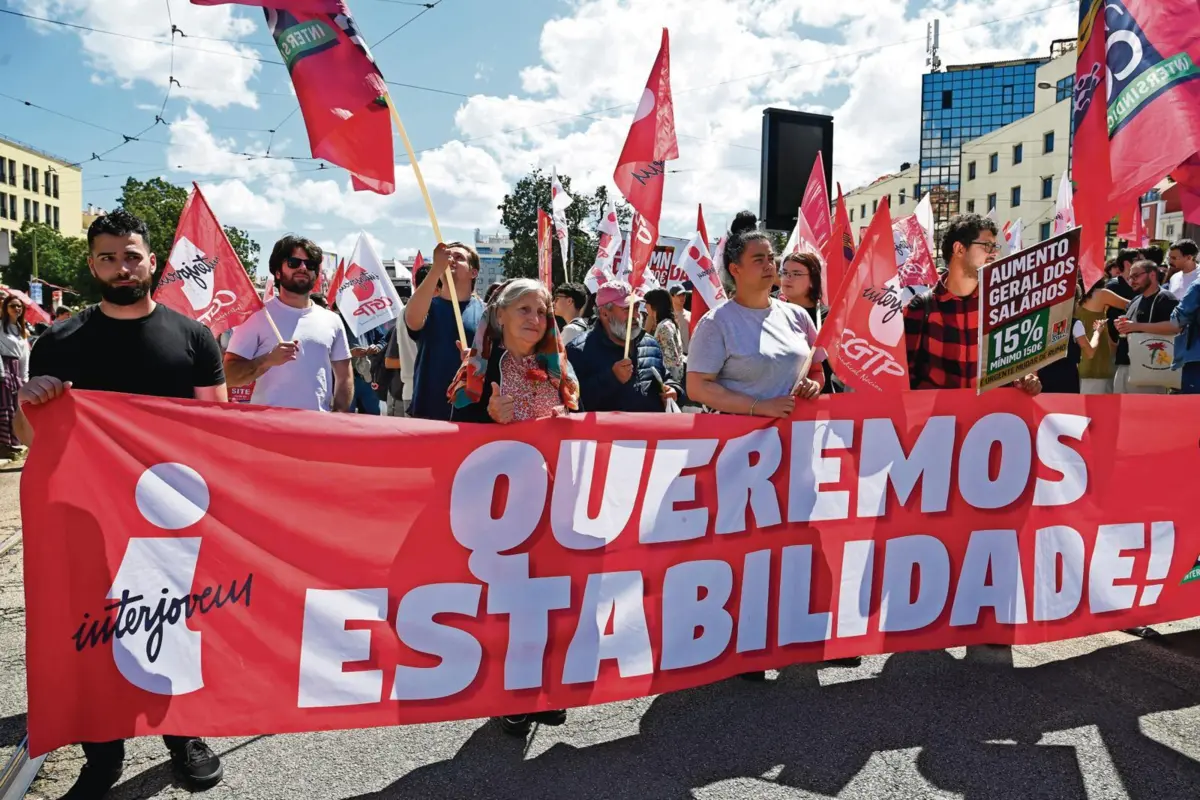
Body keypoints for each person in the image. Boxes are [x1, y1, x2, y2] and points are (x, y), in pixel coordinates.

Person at [14, 209, 226, 799]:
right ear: (92, 266)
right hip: (87, 516)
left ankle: (183, 735)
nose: (121, 267)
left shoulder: (192, 336)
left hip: (171, 513)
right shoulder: (59, 340)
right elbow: (32, 440)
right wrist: (31, 405)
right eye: (107, 257)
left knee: (173, 623)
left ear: (152, 261)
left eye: (131, 255)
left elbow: (218, 430)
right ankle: (102, 754)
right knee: (95, 629)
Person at [446, 278, 578, 737]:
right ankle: (507, 694)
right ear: (499, 315)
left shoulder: (558, 364)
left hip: (553, 497)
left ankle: (540, 687)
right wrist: (490, 418)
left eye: (541, 312)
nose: (535, 320)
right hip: (501, 507)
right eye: (523, 309)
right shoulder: (480, 366)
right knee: (507, 599)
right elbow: (456, 434)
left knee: (546, 597)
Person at [686, 211, 824, 418]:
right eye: (758, 260)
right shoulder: (715, 323)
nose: (769, 265)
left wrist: (814, 384)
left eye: (770, 258)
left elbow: (816, 370)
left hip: (794, 438)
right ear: (735, 269)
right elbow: (697, 388)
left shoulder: (798, 315)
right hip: (740, 442)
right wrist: (758, 406)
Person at [903, 213, 1042, 395]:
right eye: (987, 245)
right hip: (938, 421)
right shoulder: (920, 308)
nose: (994, 252)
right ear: (959, 249)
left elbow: (1016, 370)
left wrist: (1025, 381)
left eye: (994, 246)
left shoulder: (1002, 308)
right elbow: (904, 380)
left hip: (991, 420)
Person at [225, 235, 353, 412]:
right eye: (294, 262)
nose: (303, 268)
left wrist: (339, 415)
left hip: (317, 430)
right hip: (268, 430)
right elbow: (229, 376)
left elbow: (345, 376)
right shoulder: (256, 317)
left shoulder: (332, 320)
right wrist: (268, 360)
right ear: (278, 271)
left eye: (310, 265)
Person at [565, 280, 682, 412]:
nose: (636, 315)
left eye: (636, 308)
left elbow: (664, 377)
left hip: (649, 430)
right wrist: (611, 378)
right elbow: (572, 402)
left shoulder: (650, 343)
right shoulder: (578, 351)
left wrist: (672, 389)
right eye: (627, 309)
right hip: (605, 432)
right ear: (604, 313)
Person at [404, 242, 485, 420]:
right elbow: (412, 320)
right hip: (428, 411)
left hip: (472, 414)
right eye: (448, 257)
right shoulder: (427, 306)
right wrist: (435, 270)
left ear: (474, 272)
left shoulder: (486, 313)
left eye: (459, 258)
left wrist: (475, 360)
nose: (451, 261)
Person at [1111, 260, 1179, 394]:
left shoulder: (1165, 298)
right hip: (1125, 365)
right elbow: (1132, 327)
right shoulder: (1136, 300)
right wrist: (1122, 325)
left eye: (1136, 276)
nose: (1132, 281)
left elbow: (1174, 326)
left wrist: (1135, 326)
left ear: (1152, 274)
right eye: (1130, 277)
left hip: (1149, 367)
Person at [778, 251, 839, 394]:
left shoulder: (830, 317)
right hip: (777, 399)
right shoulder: (769, 310)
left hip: (819, 399)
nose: (788, 278)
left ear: (812, 280)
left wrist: (815, 382)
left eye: (796, 273)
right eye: (784, 272)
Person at [1073, 277, 1129, 394]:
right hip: (1097, 358)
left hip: (1078, 358)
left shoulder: (1074, 295)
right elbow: (1132, 306)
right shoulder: (1101, 293)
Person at [1104, 249, 1140, 391]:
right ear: (1127, 263)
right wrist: (1110, 341)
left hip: (1134, 348)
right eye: (1138, 260)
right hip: (1113, 348)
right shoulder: (1113, 286)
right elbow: (1102, 314)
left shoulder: (1140, 286)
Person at [0, 295, 29, 458]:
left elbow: (24, 356)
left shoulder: (21, 329)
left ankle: (13, 442)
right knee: (4, 405)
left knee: (16, 406)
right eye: (13, 306)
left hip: (16, 370)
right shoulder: (0, 327)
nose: (17, 309)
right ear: (6, 308)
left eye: (19, 306)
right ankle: (3, 444)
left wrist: (24, 377)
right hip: (3, 368)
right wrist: (1, 373)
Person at [642, 288, 685, 381]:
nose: (645, 307)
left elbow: (671, 360)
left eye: (646, 303)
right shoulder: (667, 323)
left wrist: (669, 383)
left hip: (668, 380)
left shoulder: (664, 327)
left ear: (655, 305)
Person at [554, 282, 589, 346]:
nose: (554, 303)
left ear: (569, 301)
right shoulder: (584, 325)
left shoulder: (571, 330)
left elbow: (557, 355)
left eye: (557, 299)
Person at [669, 284, 692, 354]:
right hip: (676, 356)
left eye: (684, 294)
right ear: (672, 297)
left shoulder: (690, 314)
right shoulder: (668, 315)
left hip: (689, 355)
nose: (682, 297)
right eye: (679, 295)